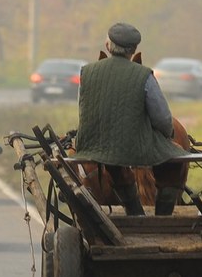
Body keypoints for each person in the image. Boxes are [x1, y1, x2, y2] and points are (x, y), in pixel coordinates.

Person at [72, 22, 186, 216]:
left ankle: (133, 210)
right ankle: (163, 216)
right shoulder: (144, 76)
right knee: (177, 159)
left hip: (94, 146)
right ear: (133, 51)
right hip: (136, 147)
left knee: (114, 163)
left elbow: (84, 110)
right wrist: (168, 135)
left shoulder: (87, 73)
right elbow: (162, 118)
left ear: (108, 47)